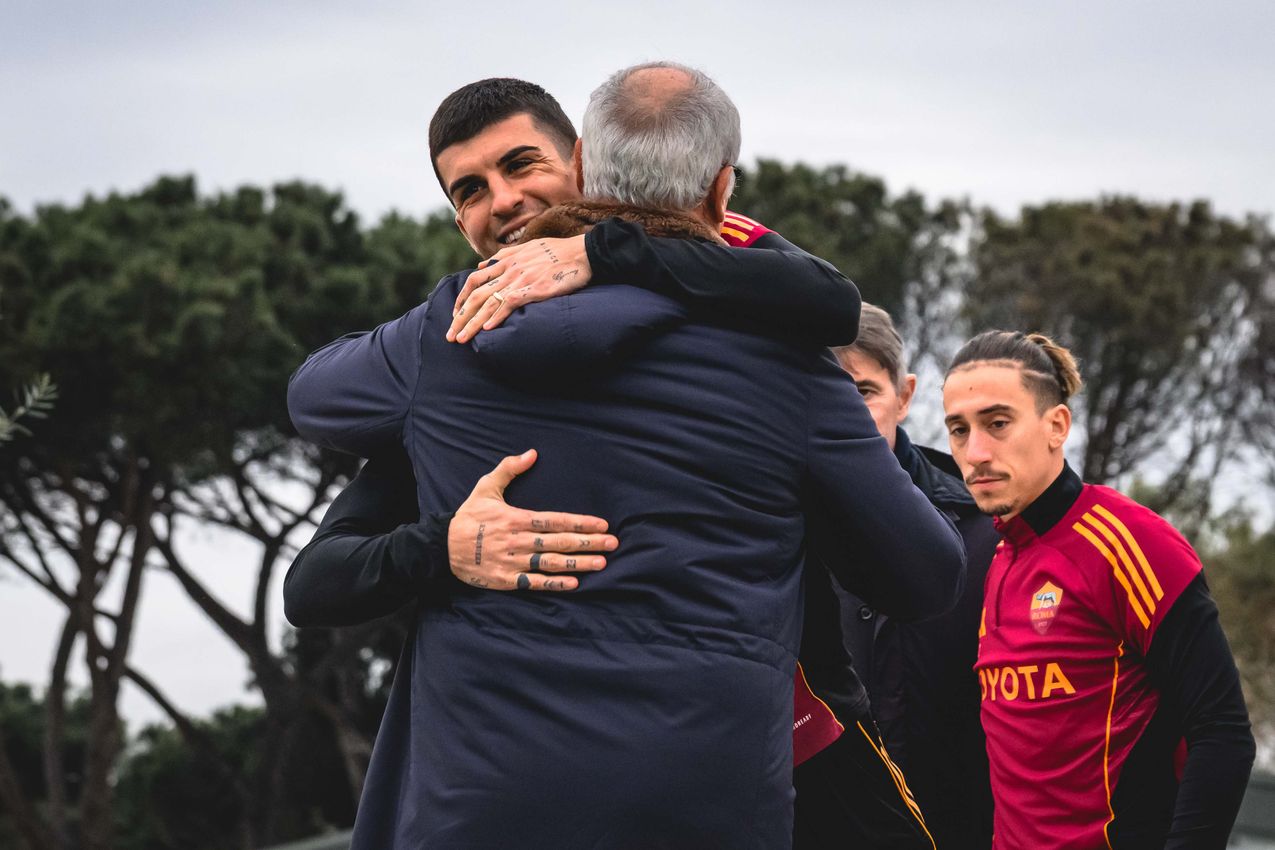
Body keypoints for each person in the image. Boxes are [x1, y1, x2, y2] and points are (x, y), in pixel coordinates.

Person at [287, 61, 966, 848]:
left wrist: (610, 253)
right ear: (719, 191)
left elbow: (312, 402)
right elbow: (924, 573)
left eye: (519, 166)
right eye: (467, 191)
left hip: (481, 806)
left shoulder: (442, 339)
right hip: (704, 802)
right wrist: (438, 545)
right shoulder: (782, 353)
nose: (501, 201)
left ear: (585, 164)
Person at [942, 330, 1255, 850]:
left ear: (1056, 426)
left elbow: (1221, 732)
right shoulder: (998, 557)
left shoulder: (1130, 541)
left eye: (998, 423)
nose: (975, 452)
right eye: (958, 429)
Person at [793, 304, 997, 849]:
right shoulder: (772, 518)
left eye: (863, 391)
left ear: (904, 396)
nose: (846, 409)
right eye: (829, 389)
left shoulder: (983, 531)